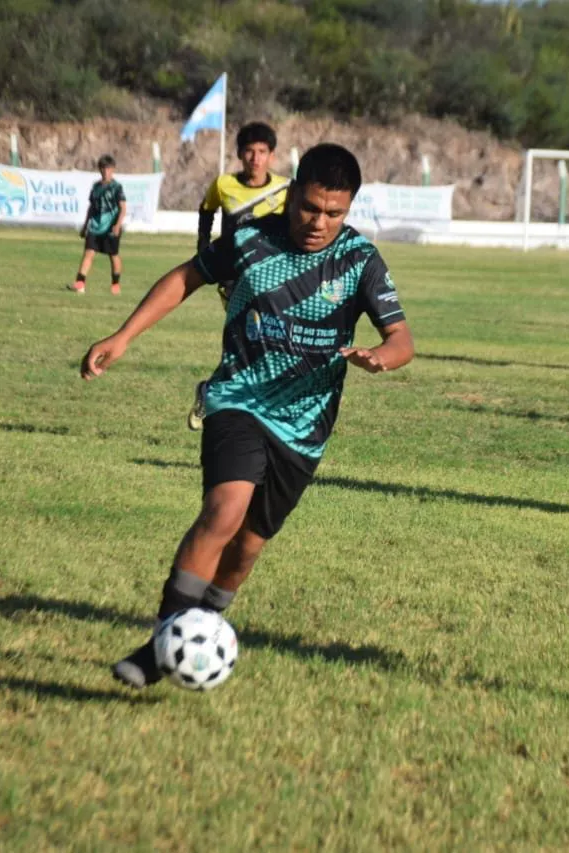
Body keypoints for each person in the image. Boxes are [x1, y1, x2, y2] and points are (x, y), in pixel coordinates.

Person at [80, 143, 415, 689]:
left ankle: (201, 629)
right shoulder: (250, 237)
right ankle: (164, 640)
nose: (319, 222)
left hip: (304, 423)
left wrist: (382, 357)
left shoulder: (359, 259)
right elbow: (184, 279)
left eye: (334, 213)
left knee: (247, 548)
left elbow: (401, 337)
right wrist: (123, 336)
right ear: (292, 192)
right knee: (223, 511)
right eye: (310, 207)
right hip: (239, 397)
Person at [188, 122, 292, 430]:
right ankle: (253, 406)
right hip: (234, 279)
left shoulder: (285, 189)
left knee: (260, 343)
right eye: (249, 151)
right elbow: (206, 211)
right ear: (239, 155)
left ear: (272, 155)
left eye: (262, 152)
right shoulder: (223, 185)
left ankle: (213, 391)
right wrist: (204, 251)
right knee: (251, 340)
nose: (255, 158)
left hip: (272, 278)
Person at [69, 154, 127, 295]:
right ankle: (80, 283)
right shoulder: (96, 187)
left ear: (113, 170)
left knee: (113, 255)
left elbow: (123, 207)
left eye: (108, 169)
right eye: (103, 169)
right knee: (88, 253)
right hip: (95, 226)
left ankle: (115, 284)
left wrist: (117, 225)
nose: (105, 172)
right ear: (99, 170)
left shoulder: (116, 187)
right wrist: (85, 225)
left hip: (110, 227)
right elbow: (91, 207)